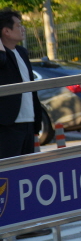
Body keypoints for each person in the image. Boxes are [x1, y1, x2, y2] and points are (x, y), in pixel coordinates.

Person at [0, 9, 47, 159]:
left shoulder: (22, 52)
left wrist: (36, 121)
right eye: (18, 25)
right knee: (9, 169)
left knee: (28, 167)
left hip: (28, 121)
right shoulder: (2, 55)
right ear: (6, 31)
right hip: (7, 123)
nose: (23, 29)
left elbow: (31, 87)